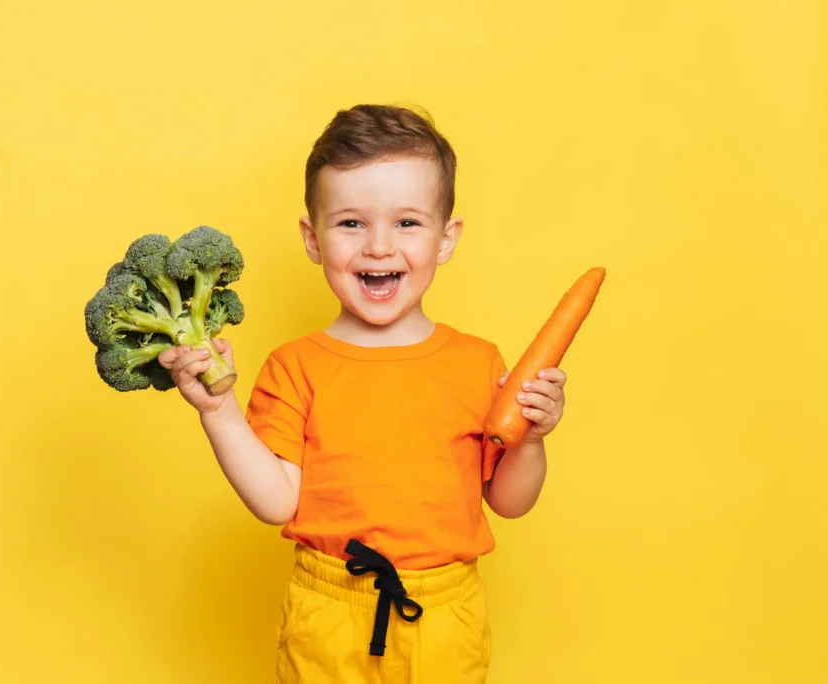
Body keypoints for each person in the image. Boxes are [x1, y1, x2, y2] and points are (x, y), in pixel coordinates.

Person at [159, 104, 567, 683]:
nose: (379, 247)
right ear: (313, 238)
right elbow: (277, 502)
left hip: (445, 615)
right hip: (328, 614)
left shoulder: (479, 363)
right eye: (351, 223)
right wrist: (219, 411)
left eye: (407, 223)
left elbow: (509, 501)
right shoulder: (295, 366)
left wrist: (532, 439)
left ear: (446, 239)